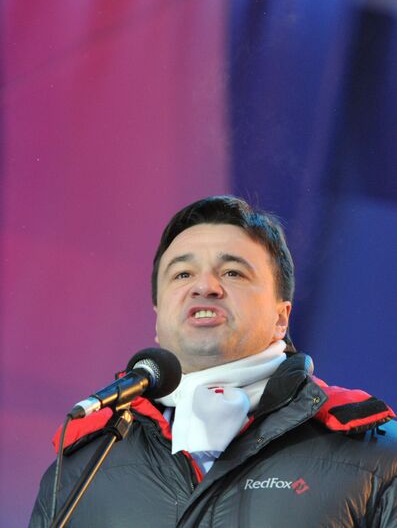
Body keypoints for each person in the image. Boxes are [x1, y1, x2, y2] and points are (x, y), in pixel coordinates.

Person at [30, 196, 397, 527]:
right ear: (158, 317)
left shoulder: (376, 451)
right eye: (182, 274)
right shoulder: (84, 466)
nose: (204, 287)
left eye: (233, 272)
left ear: (281, 317)